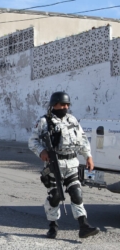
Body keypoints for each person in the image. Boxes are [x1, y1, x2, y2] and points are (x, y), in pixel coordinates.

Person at [28, 91, 100, 239]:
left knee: (76, 193)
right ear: (54, 105)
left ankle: (84, 226)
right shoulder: (44, 121)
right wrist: (42, 151)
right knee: (55, 195)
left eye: (67, 104)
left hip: (72, 163)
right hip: (54, 164)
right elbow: (32, 141)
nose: (65, 107)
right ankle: (53, 226)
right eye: (62, 104)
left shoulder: (72, 120)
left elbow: (82, 139)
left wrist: (88, 156)